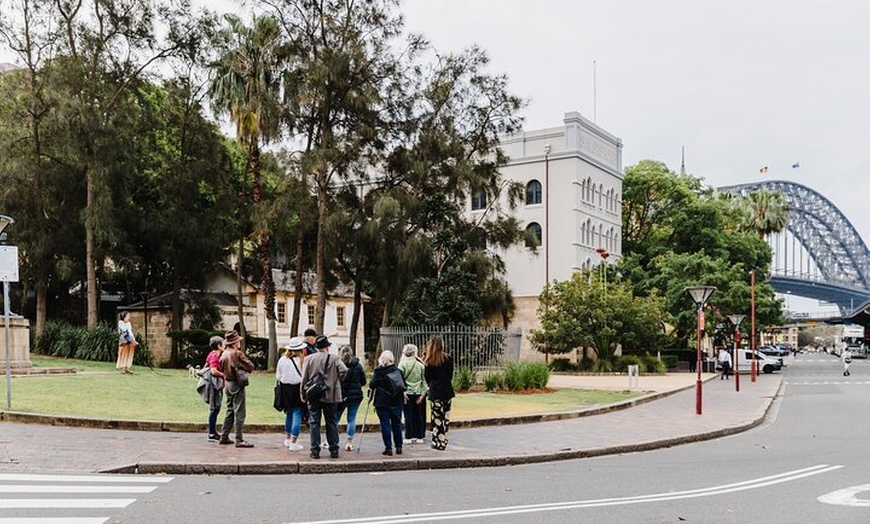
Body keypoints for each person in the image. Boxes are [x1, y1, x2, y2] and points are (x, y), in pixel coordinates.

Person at [300, 335, 347, 459]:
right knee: (331, 422)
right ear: (327, 347)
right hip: (330, 394)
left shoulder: (309, 359)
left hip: (314, 394)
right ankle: (334, 449)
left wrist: (303, 393)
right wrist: (336, 381)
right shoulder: (334, 358)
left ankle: (315, 450)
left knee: (314, 422)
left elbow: (304, 378)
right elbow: (344, 370)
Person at [218, 330, 255, 448]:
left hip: (227, 384)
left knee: (229, 410)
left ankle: (224, 436)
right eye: (238, 340)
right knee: (240, 412)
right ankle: (239, 439)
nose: (239, 342)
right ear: (234, 342)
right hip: (237, 383)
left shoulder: (223, 353)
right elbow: (250, 366)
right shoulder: (237, 354)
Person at [370, 350, 405, 456]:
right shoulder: (398, 371)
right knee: (397, 424)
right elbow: (403, 385)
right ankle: (399, 447)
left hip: (382, 401)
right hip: (396, 401)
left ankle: (388, 448)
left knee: (385, 424)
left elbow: (372, 385)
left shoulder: (379, 371)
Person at [423, 336, 454, 451]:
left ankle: (438, 441)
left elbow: (427, 377)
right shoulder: (448, 359)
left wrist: (432, 385)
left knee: (437, 418)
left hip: (435, 392)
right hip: (447, 391)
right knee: (445, 417)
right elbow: (450, 375)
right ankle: (442, 439)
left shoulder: (429, 360)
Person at [276, 337, 307, 451]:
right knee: (297, 413)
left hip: (285, 388)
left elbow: (278, 376)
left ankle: (288, 438)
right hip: (298, 388)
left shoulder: (282, 360)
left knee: (289, 413)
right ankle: (294, 441)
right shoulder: (303, 360)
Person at [335, 344, 366, 452]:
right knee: (351, 419)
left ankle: (333, 440)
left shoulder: (338, 365)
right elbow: (363, 381)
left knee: (335, 419)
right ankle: (349, 442)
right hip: (355, 396)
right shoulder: (358, 365)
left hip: (341, 396)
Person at [399, 344, 426, 444]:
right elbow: (424, 381)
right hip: (418, 392)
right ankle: (419, 436)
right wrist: (423, 394)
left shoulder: (402, 365)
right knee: (418, 415)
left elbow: (399, 380)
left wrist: (403, 392)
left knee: (408, 415)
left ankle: (409, 436)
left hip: (407, 393)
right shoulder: (420, 365)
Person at [204, 336, 226, 442]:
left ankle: (213, 432)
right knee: (214, 409)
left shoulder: (214, 355)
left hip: (216, 385)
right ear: (218, 345)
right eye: (223, 344)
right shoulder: (214, 355)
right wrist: (223, 374)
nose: (224, 345)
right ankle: (211, 434)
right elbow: (213, 371)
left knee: (216, 408)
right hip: (214, 385)